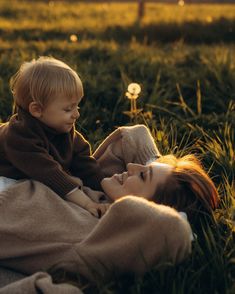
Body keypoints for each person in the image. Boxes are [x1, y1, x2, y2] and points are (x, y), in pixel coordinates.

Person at [0, 124, 219, 292]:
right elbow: (134, 135)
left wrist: (180, 218)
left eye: (143, 175)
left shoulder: (95, 241)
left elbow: (172, 229)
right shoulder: (100, 195)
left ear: (146, 210)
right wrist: (157, 165)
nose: (131, 167)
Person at [0, 56, 109, 218]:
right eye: (68, 109)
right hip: (8, 177)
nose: (77, 114)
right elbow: (51, 175)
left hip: (34, 176)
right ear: (37, 110)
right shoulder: (19, 137)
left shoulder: (64, 130)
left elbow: (86, 165)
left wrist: (107, 188)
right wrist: (87, 204)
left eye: (77, 106)